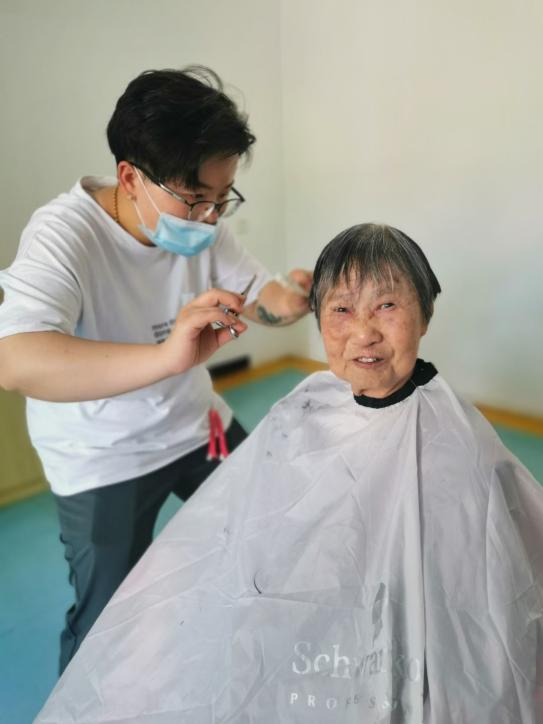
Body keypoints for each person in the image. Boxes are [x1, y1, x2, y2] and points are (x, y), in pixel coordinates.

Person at [35, 224, 543, 723]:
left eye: (387, 306)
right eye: (341, 309)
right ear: (319, 319)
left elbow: (493, 591)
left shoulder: (462, 444)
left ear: (425, 314)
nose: (364, 331)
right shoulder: (301, 411)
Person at [0, 66, 312, 674]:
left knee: (270, 534)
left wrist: (295, 298)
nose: (210, 217)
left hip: (198, 428)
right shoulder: (64, 236)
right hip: (101, 456)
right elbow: (16, 360)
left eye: (223, 199)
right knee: (105, 629)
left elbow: (258, 298)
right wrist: (167, 358)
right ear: (129, 177)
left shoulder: (205, 225)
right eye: (196, 199)